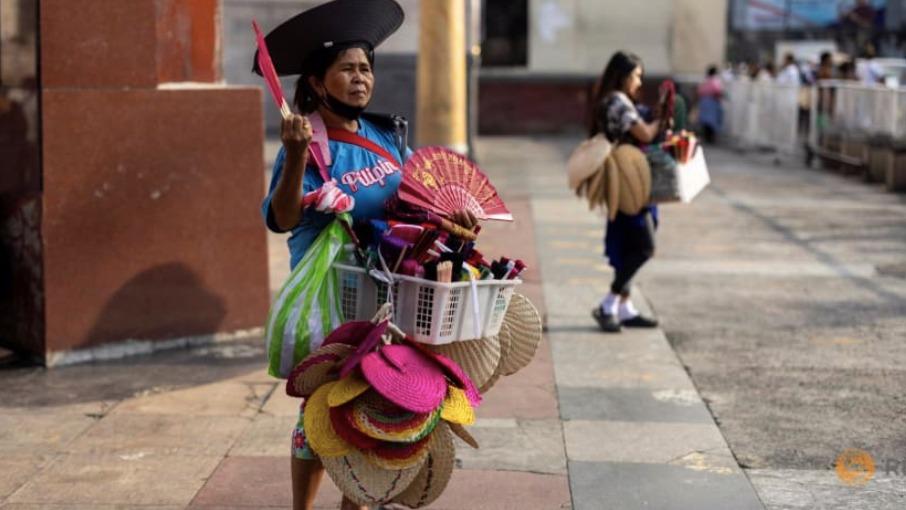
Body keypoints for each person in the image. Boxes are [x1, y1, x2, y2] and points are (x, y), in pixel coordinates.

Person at [255, 1, 476, 509]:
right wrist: (292, 157)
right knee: (320, 412)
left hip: (388, 293)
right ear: (315, 81)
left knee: (373, 408)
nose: (361, 79)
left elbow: (412, 209)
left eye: (366, 69)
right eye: (348, 69)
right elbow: (281, 218)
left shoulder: (384, 135)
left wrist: (452, 227)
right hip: (331, 300)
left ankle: (354, 504)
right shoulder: (309, 142)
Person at [588, 51, 664, 333]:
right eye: (636, 76)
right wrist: (662, 119)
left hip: (627, 178)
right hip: (628, 181)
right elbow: (645, 134)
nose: (639, 82)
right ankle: (608, 303)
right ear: (623, 76)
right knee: (644, 244)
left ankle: (624, 306)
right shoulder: (617, 102)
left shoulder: (612, 100)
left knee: (632, 244)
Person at [697, 65, 724, 144]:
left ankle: (706, 137)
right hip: (712, 102)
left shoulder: (705, 80)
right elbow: (717, 91)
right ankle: (711, 138)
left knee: (705, 121)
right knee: (712, 121)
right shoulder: (715, 81)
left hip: (704, 101)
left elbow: (699, 91)